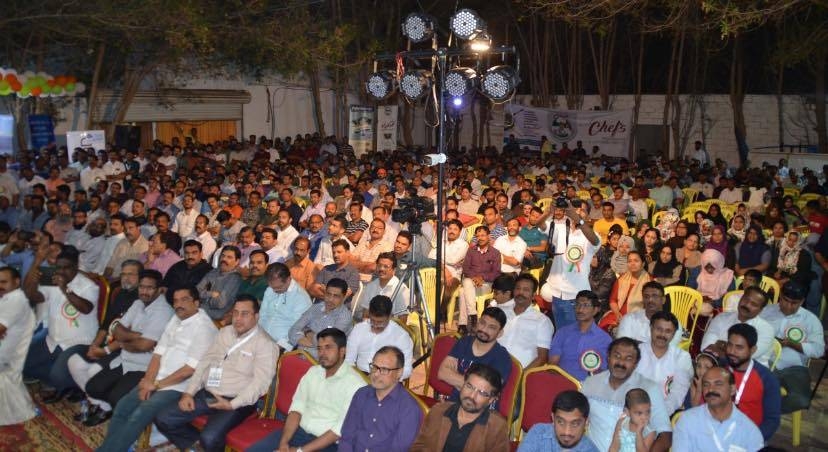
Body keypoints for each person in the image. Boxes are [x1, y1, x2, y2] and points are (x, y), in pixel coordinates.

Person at [96, 287, 218, 451]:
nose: (178, 305)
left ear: (196, 303)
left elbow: (189, 370)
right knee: (122, 407)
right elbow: (157, 354)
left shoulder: (204, 329)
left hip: (181, 386)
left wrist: (157, 385)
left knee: (139, 414)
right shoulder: (176, 319)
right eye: (175, 301)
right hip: (158, 380)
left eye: (184, 300)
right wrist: (148, 380)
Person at [154, 295, 279, 452]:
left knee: (210, 437)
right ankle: (196, 447)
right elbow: (205, 362)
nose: (238, 319)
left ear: (256, 316)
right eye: (235, 313)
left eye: (245, 314)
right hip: (209, 393)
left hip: (237, 401)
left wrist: (232, 404)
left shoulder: (266, 344)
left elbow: (260, 384)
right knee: (163, 418)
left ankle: (203, 446)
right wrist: (189, 393)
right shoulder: (225, 332)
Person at [79, 269, 174, 426]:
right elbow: (116, 330)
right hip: (124, 358)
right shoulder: (137, 303)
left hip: (146, 367)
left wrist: (126, 339)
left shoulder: (164, 311)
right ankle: (107, 408)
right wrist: (137, 336)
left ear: (159, 290)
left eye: (150, 288)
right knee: (93, 387)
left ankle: (125, 418)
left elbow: (144, 346)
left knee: (117, 397)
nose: (144, 291)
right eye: (141, 286)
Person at [248, 328, 366, 452]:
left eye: (328, 347)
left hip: (328, 444)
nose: (322, 353)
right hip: (298, 433)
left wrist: (299, 451)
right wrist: (283, 444)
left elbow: (338, 431)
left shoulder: (356, 385)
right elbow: (296, 409)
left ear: (342, 351)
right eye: (319, 348)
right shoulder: (313, 372)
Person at [22, 244, 100, 403]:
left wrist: (65, 289)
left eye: (67, 268)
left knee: (57, 377)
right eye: (59, 267)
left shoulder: (89, 286)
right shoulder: (52, 280)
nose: (62, 272)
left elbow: (86, 308)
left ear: (76, 266)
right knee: (23, 363)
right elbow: (32, 296)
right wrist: (36, 267)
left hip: (79, 342)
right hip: (53, 339)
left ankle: (70, 382)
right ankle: (59, 374)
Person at [580, 338, 672, 452]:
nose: (621, 363)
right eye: (617, 356)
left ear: (635, 364)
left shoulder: (649, 389)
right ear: (608, 357)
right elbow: (576, 421)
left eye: (628, 358)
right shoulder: (590, 383)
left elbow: (665, 436)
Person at [338, 346, 424, 452]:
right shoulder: (361, 394)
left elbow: (398, 449)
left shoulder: (409, 409)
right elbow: (346, 437)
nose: (376, 374)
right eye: (374, 367)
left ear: (399, 372)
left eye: (384, 369)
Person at [411, 362, 510, 452]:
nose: (471, 396)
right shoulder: (438, 411)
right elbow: (419, 447)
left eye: (481, 393)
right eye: (469, 386)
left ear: (491, 400)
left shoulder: (497, 428)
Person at [760, 280, 824, 413]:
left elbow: (819, 350)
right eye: (785, 300)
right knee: (752, 389)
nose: (788, 306)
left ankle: (766, 412)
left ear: (802, 302)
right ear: (780, 296)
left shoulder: (810, 320)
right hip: (766, 362)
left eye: (794, 303)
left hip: (795, 367)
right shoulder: (766, 311)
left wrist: (794, 345)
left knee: (801, 400)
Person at [672, 366, 764, 452]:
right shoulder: (687, 420)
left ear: (732, 390)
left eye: (718, 384)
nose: (711, 389)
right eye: (706, 385)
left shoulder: (750, 432)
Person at [541, 205, 601, 329]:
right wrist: (547, 213)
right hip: (557, 292)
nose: (577, 212)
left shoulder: (591, 234)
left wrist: (578, 219)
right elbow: (541, 225)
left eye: (582, 210)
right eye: (576, 210)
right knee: (561, 331)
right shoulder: (561, 228)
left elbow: (595, 241)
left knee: (576, 332)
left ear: (588, 217)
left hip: (576, 295)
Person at [439, 306, 512, 406]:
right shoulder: (464, 342)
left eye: (492, 327)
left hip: (480, 412)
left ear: (500, 333)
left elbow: (486, 392)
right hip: (453, 404)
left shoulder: (502, 357)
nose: (484, 329)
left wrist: (455, 379)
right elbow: (442, 373)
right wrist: (474, 387)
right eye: (482, 323)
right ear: (478, 322)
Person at [724, 323, 782, 441]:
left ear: (753, 350)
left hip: (748, 437)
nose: (732, 351)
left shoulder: (767, 379)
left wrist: (751, 439)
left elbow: (772, 420)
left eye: (739, 347)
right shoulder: (717, 367)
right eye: (730, 345)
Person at [635, 312, 693, 415]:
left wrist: (661, 414)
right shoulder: (636, 352)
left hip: (667, 414)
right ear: (651, 328)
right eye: (659, 329)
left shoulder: (682, 357)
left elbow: (678, 392)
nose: (662, 335)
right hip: (634, 410)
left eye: (668, 331)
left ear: (674, 334)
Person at [0, 267, 38, 425]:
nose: (0, 285)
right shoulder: (7, 296)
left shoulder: (16, 299)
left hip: (6, 354)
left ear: (17, 282)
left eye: (4, 282)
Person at [701, 286, 775, 367]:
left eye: (753, 304)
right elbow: (705, 347)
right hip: (715, 367)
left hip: (751, 373)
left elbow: (743, 358)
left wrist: (721, 345)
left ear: (760, 310)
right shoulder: (722, 317)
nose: (747, 305)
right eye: (746, 299)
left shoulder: (766, 329)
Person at [549, 290, 613, 381]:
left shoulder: (605, 339)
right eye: (577, 305)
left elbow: (605, 372)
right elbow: (552, 365)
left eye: (586, 305)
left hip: (589, 387)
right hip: (562, 384)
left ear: (595, 310)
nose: (580, 309)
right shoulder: (562, 333)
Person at [345, 295, 414, 378]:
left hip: (387, 379)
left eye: (380, 322)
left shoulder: (401, 336)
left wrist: (384, 377)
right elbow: (349, 361)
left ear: (390, 317)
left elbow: (406, 370)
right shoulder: (359, 329)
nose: (376, 325)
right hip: (360, 376)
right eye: (372, 320)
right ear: (369, 314)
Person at [497, 274, 554, 369]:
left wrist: (520, 377)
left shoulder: (542, 321)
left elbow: (542, 357)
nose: (520, 293)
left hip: (520, 373)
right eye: (518, 288)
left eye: (526, 290)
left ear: (533, 295)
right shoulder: (501, 312)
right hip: (491, 367)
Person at [288, 278, 353, 358]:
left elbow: (327, 344)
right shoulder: (316, 308)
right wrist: (313, 342)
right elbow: (293, 330)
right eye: (328, 294)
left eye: (336, 296)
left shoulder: (345, 317)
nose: (330, 299)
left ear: (343, 297)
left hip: (319, 363)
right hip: (298, 353)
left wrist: (307, 332)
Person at [518, 390, 599, 452]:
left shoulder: (591, 450)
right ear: (553, 418)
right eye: (561, 422)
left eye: (575, 424)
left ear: (586, 423)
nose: (567, 432)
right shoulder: (539, 433)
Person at [258, 262, 313, 350]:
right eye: (272, 287)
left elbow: (298, 329)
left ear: (288, 279)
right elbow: (262, 316)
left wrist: (278, 346)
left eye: (278, 288)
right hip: (261, 339)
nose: (274, 291)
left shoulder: (301, 298)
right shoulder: (270, 289)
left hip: (281, 346)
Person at [459, 225, 502, 332]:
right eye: (478, 236)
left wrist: (482, 277)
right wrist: (475, 278)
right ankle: (472, 316)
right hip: (472, 281)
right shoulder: (471, 251)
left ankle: (463, 324)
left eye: (483, 235)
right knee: (466, 284)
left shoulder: (495, 253)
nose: (480, 238)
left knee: (462, 291)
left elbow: (496, 273)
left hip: (486, 284)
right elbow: (465, 269)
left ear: (488, 236)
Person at [616, 282, 683, 348]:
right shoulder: (629, 319)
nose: (650, 300)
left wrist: (635, 343)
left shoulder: (673, 324)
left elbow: (665, 350)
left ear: (663, 300)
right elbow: (622, 346)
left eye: (655, 296)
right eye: (646, 296)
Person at [599, 251, 653, 332]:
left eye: (636, 261)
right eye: (629, 261)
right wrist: (617, 314)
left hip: (638, 317)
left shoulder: (650, 281)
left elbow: (651, 307)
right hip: (618, 314)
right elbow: (613, 300)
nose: (632, 263)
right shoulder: (622, 279)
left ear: (643, 264)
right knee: (603, 327)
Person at [353, 252, 409, 321]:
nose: (381, 269)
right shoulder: (371, 286)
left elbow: (402, 320)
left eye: (386, 267)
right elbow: (366, 314)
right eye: (379, 265)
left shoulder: (401, 289)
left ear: (394, 270)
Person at [195, 245, 243, 322]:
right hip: (199, 312)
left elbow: (219, 303)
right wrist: (211, 294)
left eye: (229, 257)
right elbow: (195, 292)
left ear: (237, 261)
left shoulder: (235, 278)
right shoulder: (213, 272)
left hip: (214, 319)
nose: (224, 259)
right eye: (223, 256)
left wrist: (203, 298)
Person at [163, 239, 212, 304]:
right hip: (172, 302)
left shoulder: (209, 271)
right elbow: (164, 286)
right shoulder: (176, 267)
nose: (190, 256)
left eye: (194, 253)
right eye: (187, 253)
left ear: (201, 254)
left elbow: (207, 295)